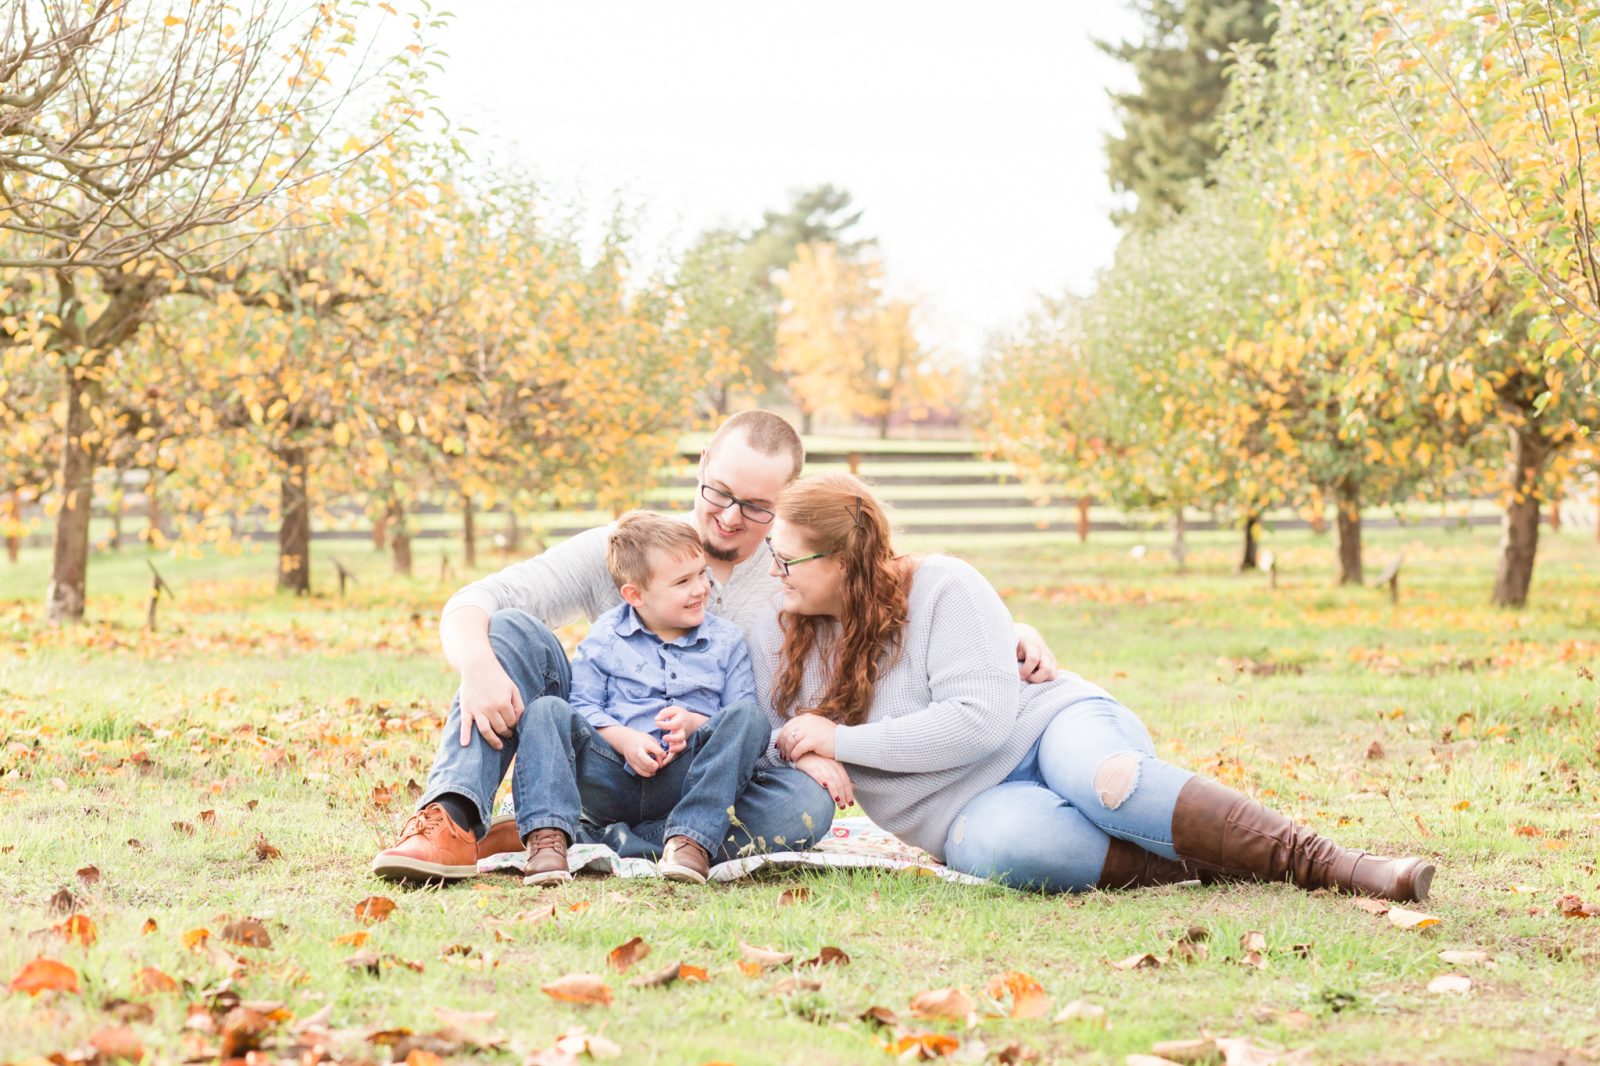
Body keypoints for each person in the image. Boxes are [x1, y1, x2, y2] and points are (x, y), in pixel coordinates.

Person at [368, 411, 1064, 881]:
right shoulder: (632, 545)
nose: (730, 519)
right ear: (700, 465)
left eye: (758, 507)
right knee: (512, 629)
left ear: (791, 502)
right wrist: (480, 664)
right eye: (717, 493)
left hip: (706, 771)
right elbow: (472, 603)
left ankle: (599, 839)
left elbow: (895, 609)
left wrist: (1004, 634)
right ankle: (453, 816)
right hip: (601, 756)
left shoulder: (802, 579)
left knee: (806, 807)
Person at [763, 473, 1435, 900]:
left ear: (843, 559)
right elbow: (760, 734)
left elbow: (979, 722)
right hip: (959, 811)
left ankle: (1332, 864)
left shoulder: (941, 585)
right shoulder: (789, 636)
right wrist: (808, 749)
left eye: (787, 558)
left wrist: (842, 738)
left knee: (1109, 780)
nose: (775, 572)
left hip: (1046, 727)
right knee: (1013, 851)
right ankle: (1202, 864)